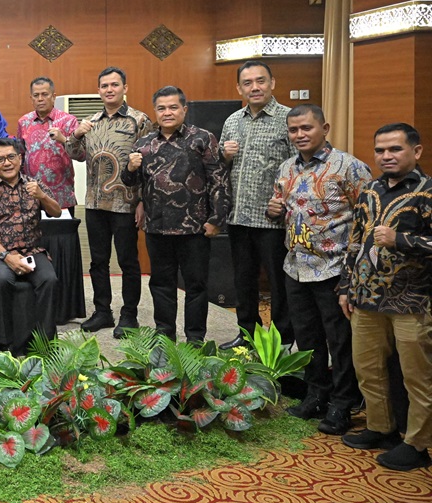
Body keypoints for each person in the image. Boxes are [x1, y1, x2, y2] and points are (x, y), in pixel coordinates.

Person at [267, 105, 370, 434]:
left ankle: (343, 402)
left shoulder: (349, 167)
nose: (299, 135)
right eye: (294, 130)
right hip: (296, 266)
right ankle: (316, 394)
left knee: (339, 340)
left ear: (324, 127)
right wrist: (273, 210)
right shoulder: (286, 167)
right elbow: (282, 209)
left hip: (334, 269)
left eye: (306, 128)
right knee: (308, 338)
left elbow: (368, 218)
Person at [338, 123, 432, 472]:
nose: (386, 156)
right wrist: (346, 287)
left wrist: (401, 240)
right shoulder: (369, 189)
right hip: (366, 298)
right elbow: (355, 240)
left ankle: (417, 442)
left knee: (417, 376)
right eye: (380, 150)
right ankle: (380, 426)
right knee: (369, 369)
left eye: (395, 149)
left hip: (413, 302)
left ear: (416, 151)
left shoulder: (428, 192)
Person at [122, 86, 229, 344]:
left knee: (196, 286)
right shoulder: (144, 143)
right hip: (157, 228)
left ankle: (195, 337)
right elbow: (130, 183)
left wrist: (216, 219)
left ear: (184, 109)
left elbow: (218, 181)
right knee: (161, 285)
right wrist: (129, 167)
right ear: (155, 111)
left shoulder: (202, 138)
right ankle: (164, 334)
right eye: (161, 108)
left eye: (173, 107)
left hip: (194, 228)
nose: (167, 113)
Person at [64, 67, 155, 337]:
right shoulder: (90, 121)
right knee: (98, 261)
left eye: (115, 85)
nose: (109, 90)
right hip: (95, 202)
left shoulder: (139, 121)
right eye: (104, 86)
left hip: (126, 203)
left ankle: (129, 314)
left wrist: (142, 202)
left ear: (125, 88)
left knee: (128, 261)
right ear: (99, 90)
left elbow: (149, 165)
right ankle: (102, 311)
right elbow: (74, 154)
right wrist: (77, 134)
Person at [219, 60, 294, 349]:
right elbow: (222, 168)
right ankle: (247, 334)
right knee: (243, 281)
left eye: (260, 81)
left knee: (278, 283)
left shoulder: (287, 119)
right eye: (248, 83)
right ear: (239, 88)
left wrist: (283, 202)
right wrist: (223, 155)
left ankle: (282, 338)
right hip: (239, 218)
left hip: (273, 220)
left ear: (272, 83)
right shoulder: (232, 121)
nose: (255, 87)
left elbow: (298, 169)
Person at [0, 138, 61, 353]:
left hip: (32, 250)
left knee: (49, 280)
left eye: (11, 157)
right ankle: (6, 345)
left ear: (20, 159)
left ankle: (44, 344)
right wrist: (6, 257)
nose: (7, 163)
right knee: (1, 281)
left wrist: (41, 195)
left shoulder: (34, 184)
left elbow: (56, 212)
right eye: (0, 159)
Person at [17, 77, 79, 213]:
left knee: (62, 234)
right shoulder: (24, 122)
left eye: (45, 94)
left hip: (62, 196)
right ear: (31, 98)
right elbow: (20, 157)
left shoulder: (68, 121)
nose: (40, 99)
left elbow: (80, 154)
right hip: (32, 196)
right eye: (36, 95)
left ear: (53, 96)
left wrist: (64, 139)